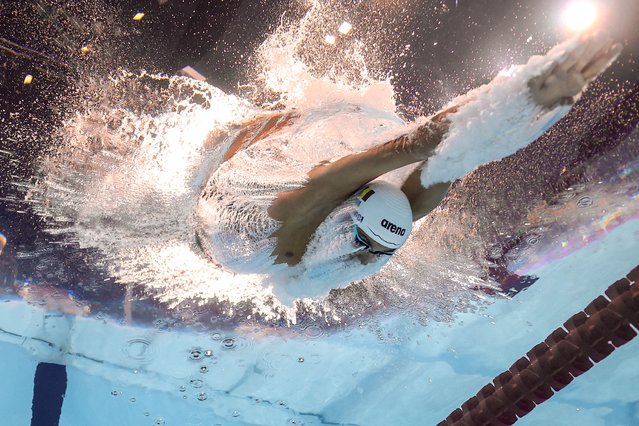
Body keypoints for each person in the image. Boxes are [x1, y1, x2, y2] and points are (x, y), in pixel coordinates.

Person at [195, 32, 621, 295]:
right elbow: (417, 145)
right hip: (240, 207)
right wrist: (528, 97)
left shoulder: (363, 244)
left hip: (224, 242)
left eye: (375, 249)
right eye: (366, 245)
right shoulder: (314, 206)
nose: (363, 255)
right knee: (235, 137)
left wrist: (531, 104)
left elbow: (454, 155)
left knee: (430, 165)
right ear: (349, 205)